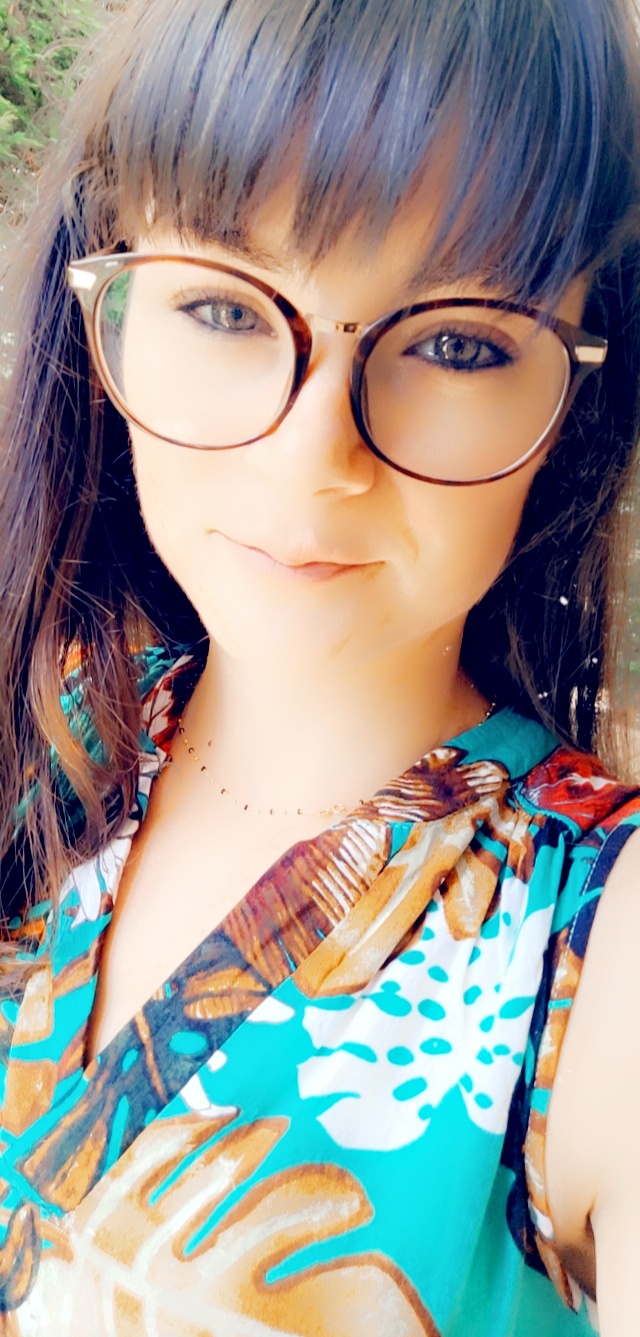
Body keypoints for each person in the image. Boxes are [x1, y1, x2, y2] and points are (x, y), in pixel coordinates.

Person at [0, 0, 640, 1331]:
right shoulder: (47, 736)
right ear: (110, 303)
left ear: (578, 390)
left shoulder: (595, 942)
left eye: (457, 343)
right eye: (222, 306)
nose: (313, 458)